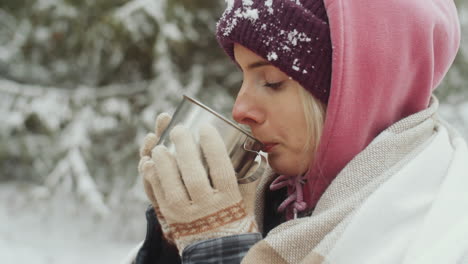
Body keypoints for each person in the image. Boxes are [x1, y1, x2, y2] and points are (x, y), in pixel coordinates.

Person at [128, 0, 468, 263]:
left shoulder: (442, 231)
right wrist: (174, 240)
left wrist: (219, 249)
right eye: (242, 77)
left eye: (272, 82)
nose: (240, 109)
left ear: (359, 93)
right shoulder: (269, 200)